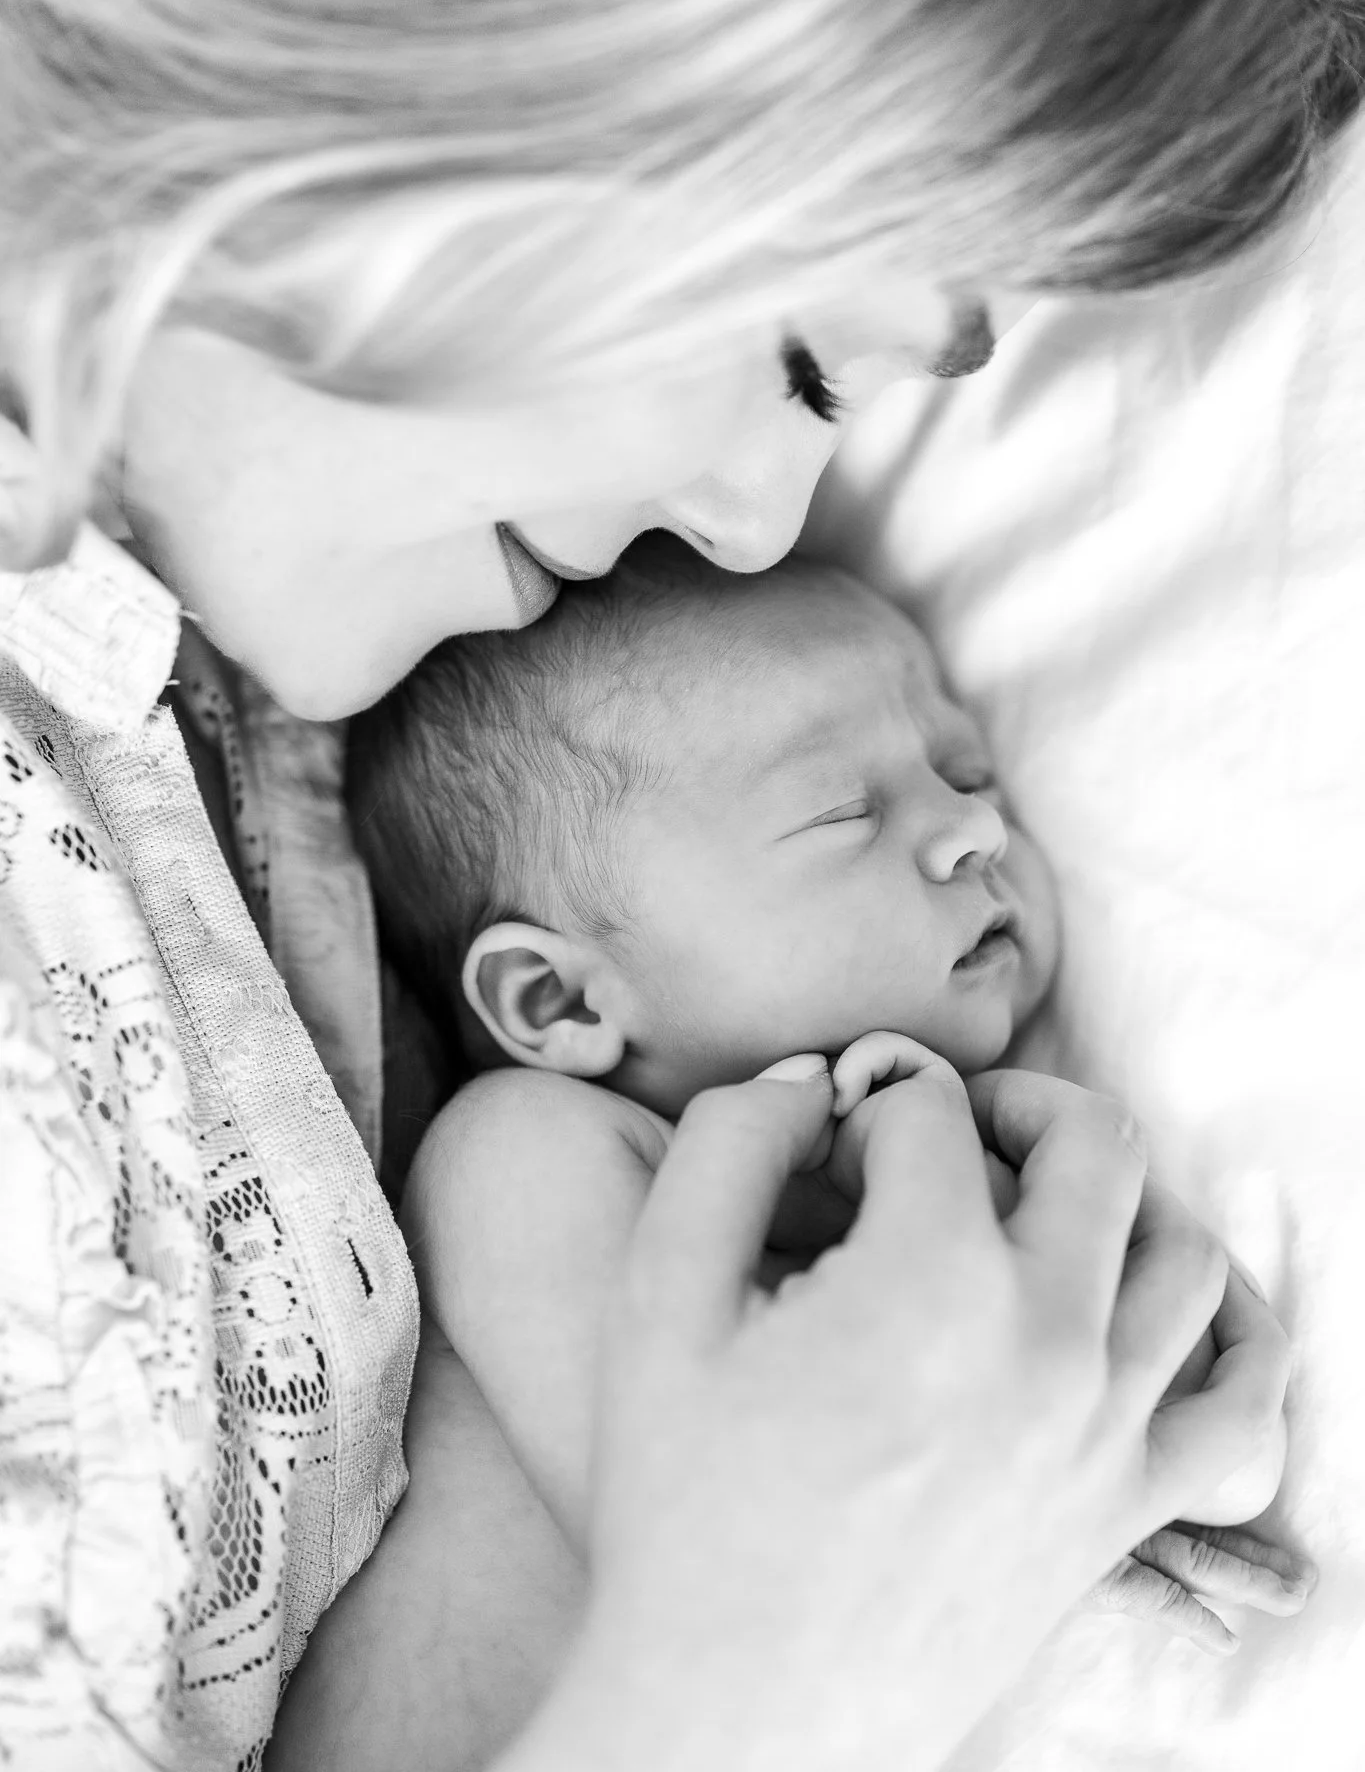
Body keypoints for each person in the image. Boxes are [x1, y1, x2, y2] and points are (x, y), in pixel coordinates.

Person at [1, 0, 1360, 1768]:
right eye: (798, 356)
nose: (744, 528)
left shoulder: (249, 748)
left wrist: (974, 1451)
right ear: (516, 20)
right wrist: (793, 1655)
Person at [281, 543, 1310, 1767]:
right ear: (557, 1002)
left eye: (964, 767)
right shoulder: (521, 1155)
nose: (974, 823)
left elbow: (1214, 1445)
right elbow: (717, 1541)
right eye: (843, 811)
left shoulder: (949, 1162)